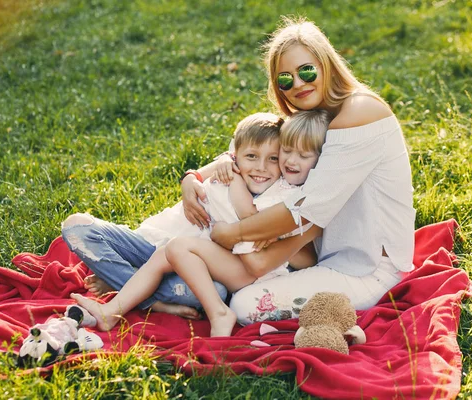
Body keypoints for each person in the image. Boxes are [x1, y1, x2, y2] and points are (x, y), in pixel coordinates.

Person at [181, 16, 416, 326]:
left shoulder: (359, 113)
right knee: (214, 267)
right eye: (285, 80)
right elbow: (254, 149)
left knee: (244, 305)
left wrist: (232, 234)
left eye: (306, 71)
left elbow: (306, 209)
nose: (299, 84)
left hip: (367, 269)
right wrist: (193, 177)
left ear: (326, 64)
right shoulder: (314, 118)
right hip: (320, 257)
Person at [71, 110, 330, 336]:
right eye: (251, 157)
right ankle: (125, 305)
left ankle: (139, 293)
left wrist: (237, 185)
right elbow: (227, 165)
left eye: (273, 159)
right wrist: (196, 175)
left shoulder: (279, 195)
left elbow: (251, 222)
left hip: (226, 275)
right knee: (83, 228)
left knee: (184, 259)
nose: (262, 167)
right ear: (235, 156)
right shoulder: (229, 172)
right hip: (168, 249)